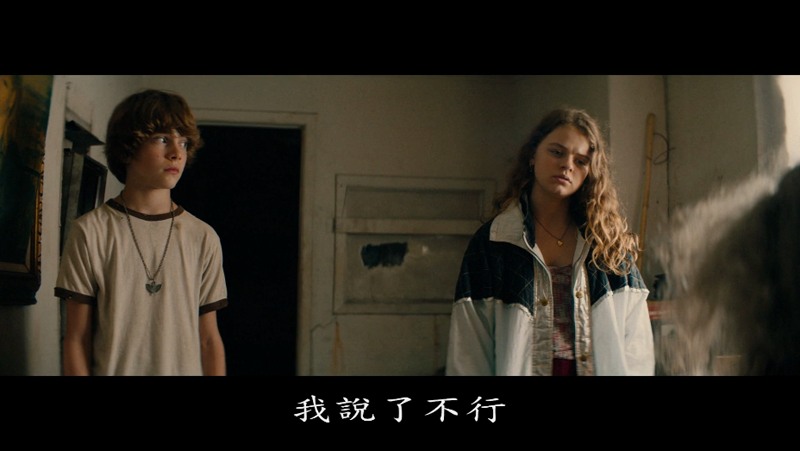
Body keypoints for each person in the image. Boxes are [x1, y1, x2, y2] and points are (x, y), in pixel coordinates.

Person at [446, 107, 654, 376]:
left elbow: (637, 346)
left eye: (581, 160)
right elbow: (469, 348)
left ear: (590, 171)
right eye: (557, 152)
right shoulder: (494, 242)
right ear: (532, 156)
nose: (567, 165)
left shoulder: (608, 243)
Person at [55, 89, 228, 376]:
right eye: (162, 139)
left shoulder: (203, 237)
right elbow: (76, 338)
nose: (177, 153)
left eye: (183, 142)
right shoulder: (90, 231)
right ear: (128, 146)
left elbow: (209, 341)